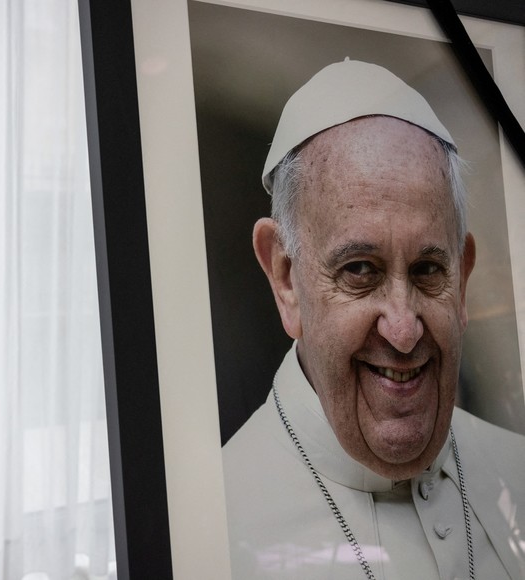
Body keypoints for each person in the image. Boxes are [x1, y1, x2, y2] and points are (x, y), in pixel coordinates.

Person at [222, 59, 525, 579]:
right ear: (286, 279)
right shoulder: (213, 531)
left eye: (430, 268)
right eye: (360, 269)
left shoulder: (517, 466)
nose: (404, 330)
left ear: (463, 277)